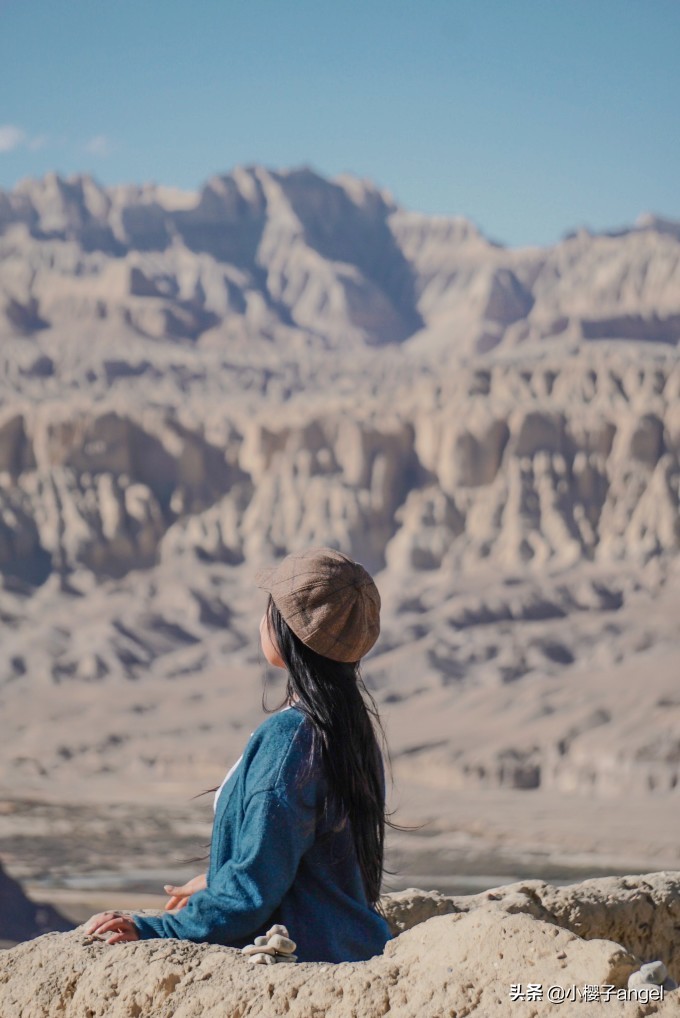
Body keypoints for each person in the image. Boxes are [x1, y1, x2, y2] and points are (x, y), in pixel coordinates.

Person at [86, 546, 393, 963]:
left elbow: (253, 890)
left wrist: (156, 928)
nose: (262, 620)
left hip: (301, 955)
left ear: (290, 630)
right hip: (347, 947)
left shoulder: (291, 739)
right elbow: (304, 859)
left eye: (272, 609)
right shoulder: (348, 728)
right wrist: (218, 880)